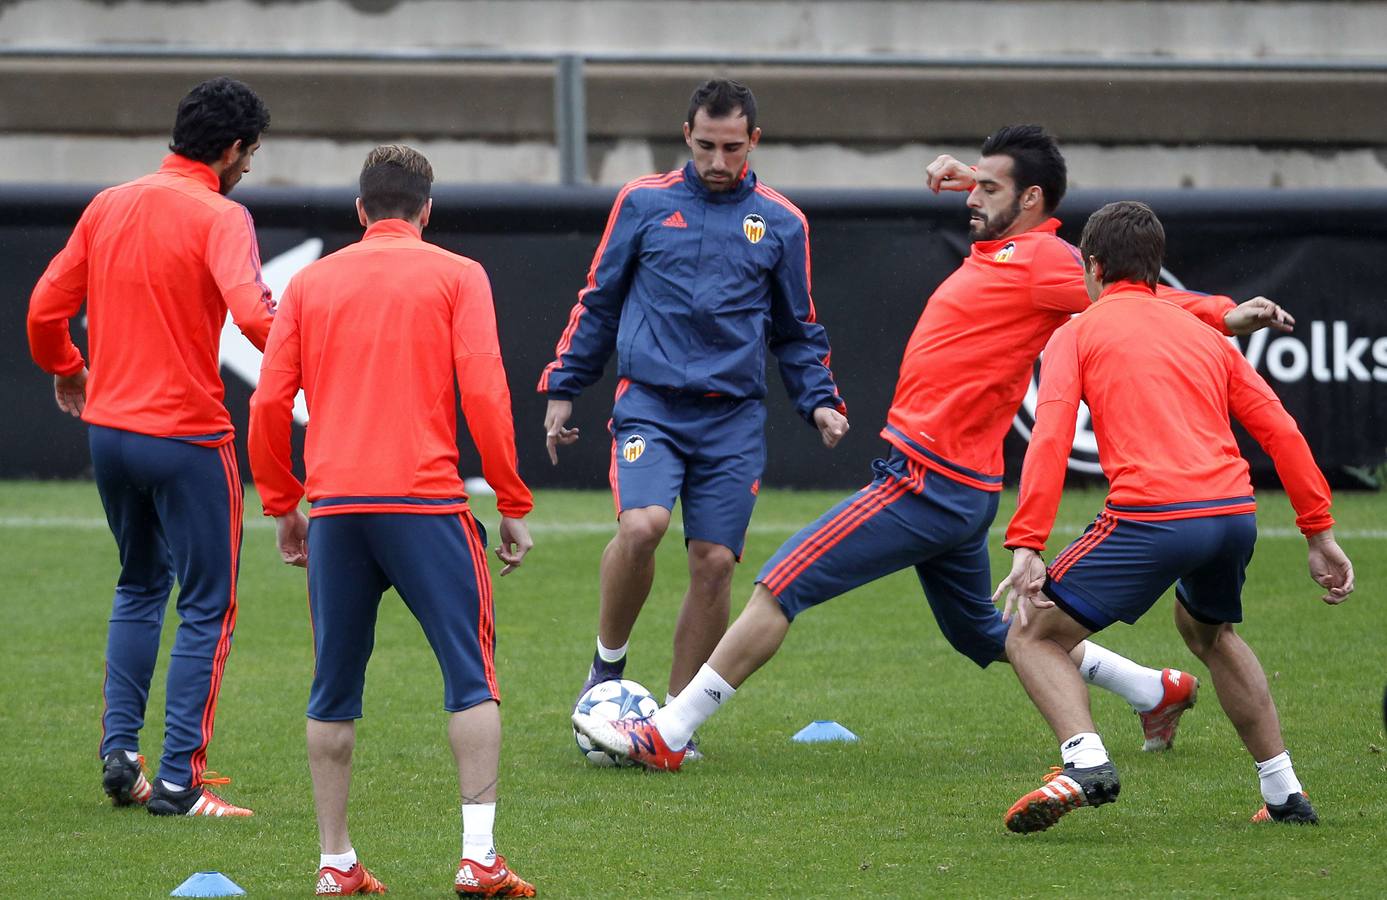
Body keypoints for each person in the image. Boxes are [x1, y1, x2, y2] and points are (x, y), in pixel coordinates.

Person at [574, 124, 1296, 772]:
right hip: (956, 483)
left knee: (780, 583)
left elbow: (1137, 297)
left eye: (989, 189)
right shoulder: (1007, 245)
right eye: (971, 185)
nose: (969, 199)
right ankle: (1154, 689)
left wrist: (1222, 315)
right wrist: (972, 179)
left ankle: (667, 732)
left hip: (926, 482)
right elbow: (1014, 217)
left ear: (1032, 198)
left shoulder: (1046, 260)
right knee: (987, 633)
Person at [993, 200, 1354, 833]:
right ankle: (1284, 793)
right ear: (1157, 270)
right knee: (1209, 631)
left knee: (1032, 633)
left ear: (1093, 266)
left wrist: (1027, 543)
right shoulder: (1203, 334)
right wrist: (1318, 532)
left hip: (1154, 516)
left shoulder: (1074, 332)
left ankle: (1084, 760)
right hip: (1233, 516)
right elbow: (1281, 430)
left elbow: (1049, 438)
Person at [248, 145, 537, 896]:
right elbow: (485, 392)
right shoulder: (456, 274)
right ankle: (478, 857)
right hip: (427, 505)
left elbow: (268, 405)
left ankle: (334, 861)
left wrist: (284, 504)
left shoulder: (310, 283)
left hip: (338, 510)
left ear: (360, 210)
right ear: (426, 209)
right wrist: (510, 499)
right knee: (470, 680)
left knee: (331, 690)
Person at [538, 78, 849, 728]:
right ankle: (607, 664)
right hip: (650, 404)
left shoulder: (782, 221)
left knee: (712, 564)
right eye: (705, 145)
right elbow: (599, 298)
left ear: (753, 142)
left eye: (731, 147)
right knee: (642, 526)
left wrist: (818, 401)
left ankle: (671, 723)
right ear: (686, 136)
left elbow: (797, 329)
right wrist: (565, 387)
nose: (716, 160)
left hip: (732, 417)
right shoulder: (642, 203)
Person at [26, 76, 272, 817]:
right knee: (209, 606)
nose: (249, 167)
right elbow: (255, 319)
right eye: (250, 153)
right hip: (188, 436)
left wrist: (69, 368)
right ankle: (177, 783)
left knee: (138, 585)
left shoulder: (109, 203)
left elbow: (45, 310)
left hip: (110, 434)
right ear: (230, 150)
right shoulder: (220, 214)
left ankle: (120, 754)